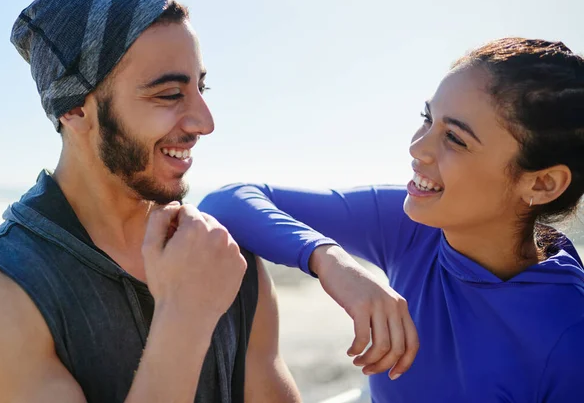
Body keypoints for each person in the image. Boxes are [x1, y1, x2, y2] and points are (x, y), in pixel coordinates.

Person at [199, 37, 584, 402]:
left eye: (455, 138)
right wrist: (330, 261)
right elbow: (228, 202)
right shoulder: (411, 228)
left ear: (543, 183)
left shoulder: (569, 337)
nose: (418, 147)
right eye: (427, 118)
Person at [0, 0, 302, 402]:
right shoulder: (3, 291)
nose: (204, 123)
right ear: (74, 109)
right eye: (170, 94)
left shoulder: (225, 255)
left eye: (200, 90)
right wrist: (186, 317)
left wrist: (325, 257)